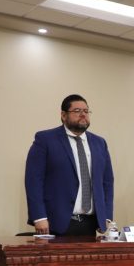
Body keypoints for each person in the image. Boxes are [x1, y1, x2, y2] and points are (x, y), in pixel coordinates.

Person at [25, 94, 114, 236]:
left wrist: (107, 216)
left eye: (86, 111)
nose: (83, 114)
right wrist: (39, 217)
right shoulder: (45, 140)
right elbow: (34, 181)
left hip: (91, 224)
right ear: (63, 115)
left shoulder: (99, 143)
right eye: (77, 111)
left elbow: (107, 183)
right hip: (55, 223)